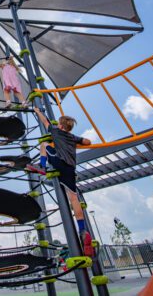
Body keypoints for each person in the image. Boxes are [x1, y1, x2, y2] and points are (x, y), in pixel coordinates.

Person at [29, 107, 93, 256]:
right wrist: (76, 142)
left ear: (61, 126)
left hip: (59, 163)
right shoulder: (72, 137)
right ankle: (82, 229)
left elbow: (44, 121)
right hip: (71, 168)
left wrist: (37, 111)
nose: (57, 125)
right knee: (73, 197)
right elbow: (88, 141)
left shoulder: (56, 132)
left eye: (58, 124)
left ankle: (42, 166)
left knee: (45, 145)